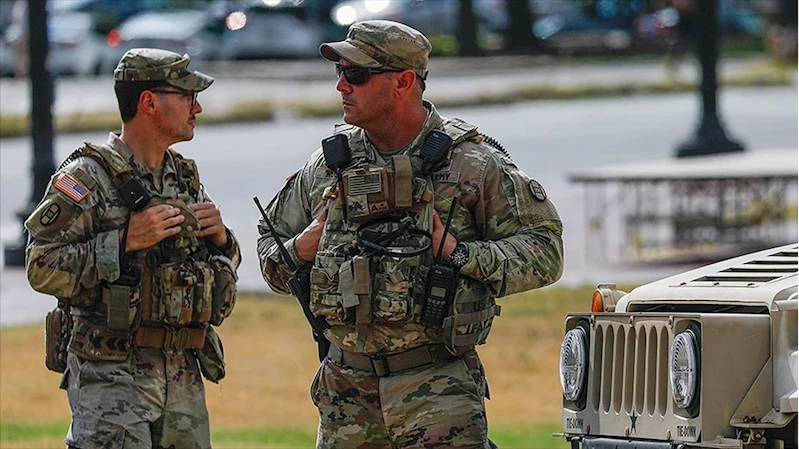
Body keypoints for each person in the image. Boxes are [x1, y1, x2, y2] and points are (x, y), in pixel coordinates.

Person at [257, 20, 563, 448]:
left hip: (438, 392)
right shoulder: (328, 166)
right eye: (340, 72)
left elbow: (546, 250)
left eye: (357, 74)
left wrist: (461, 254)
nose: (342, 86)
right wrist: (300, 249)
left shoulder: (471, 165)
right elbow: (269, 247)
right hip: (345, 396)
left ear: (403, 82)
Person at [25, 48, 240, 449]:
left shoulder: (183, 178)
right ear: (149, 102)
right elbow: (41, 265)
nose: (197, 107)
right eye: (187, 96)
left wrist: (223, 240)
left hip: (183, 379)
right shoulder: (86, 178)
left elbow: (219, 263)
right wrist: (123, 242)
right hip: (111, 379)